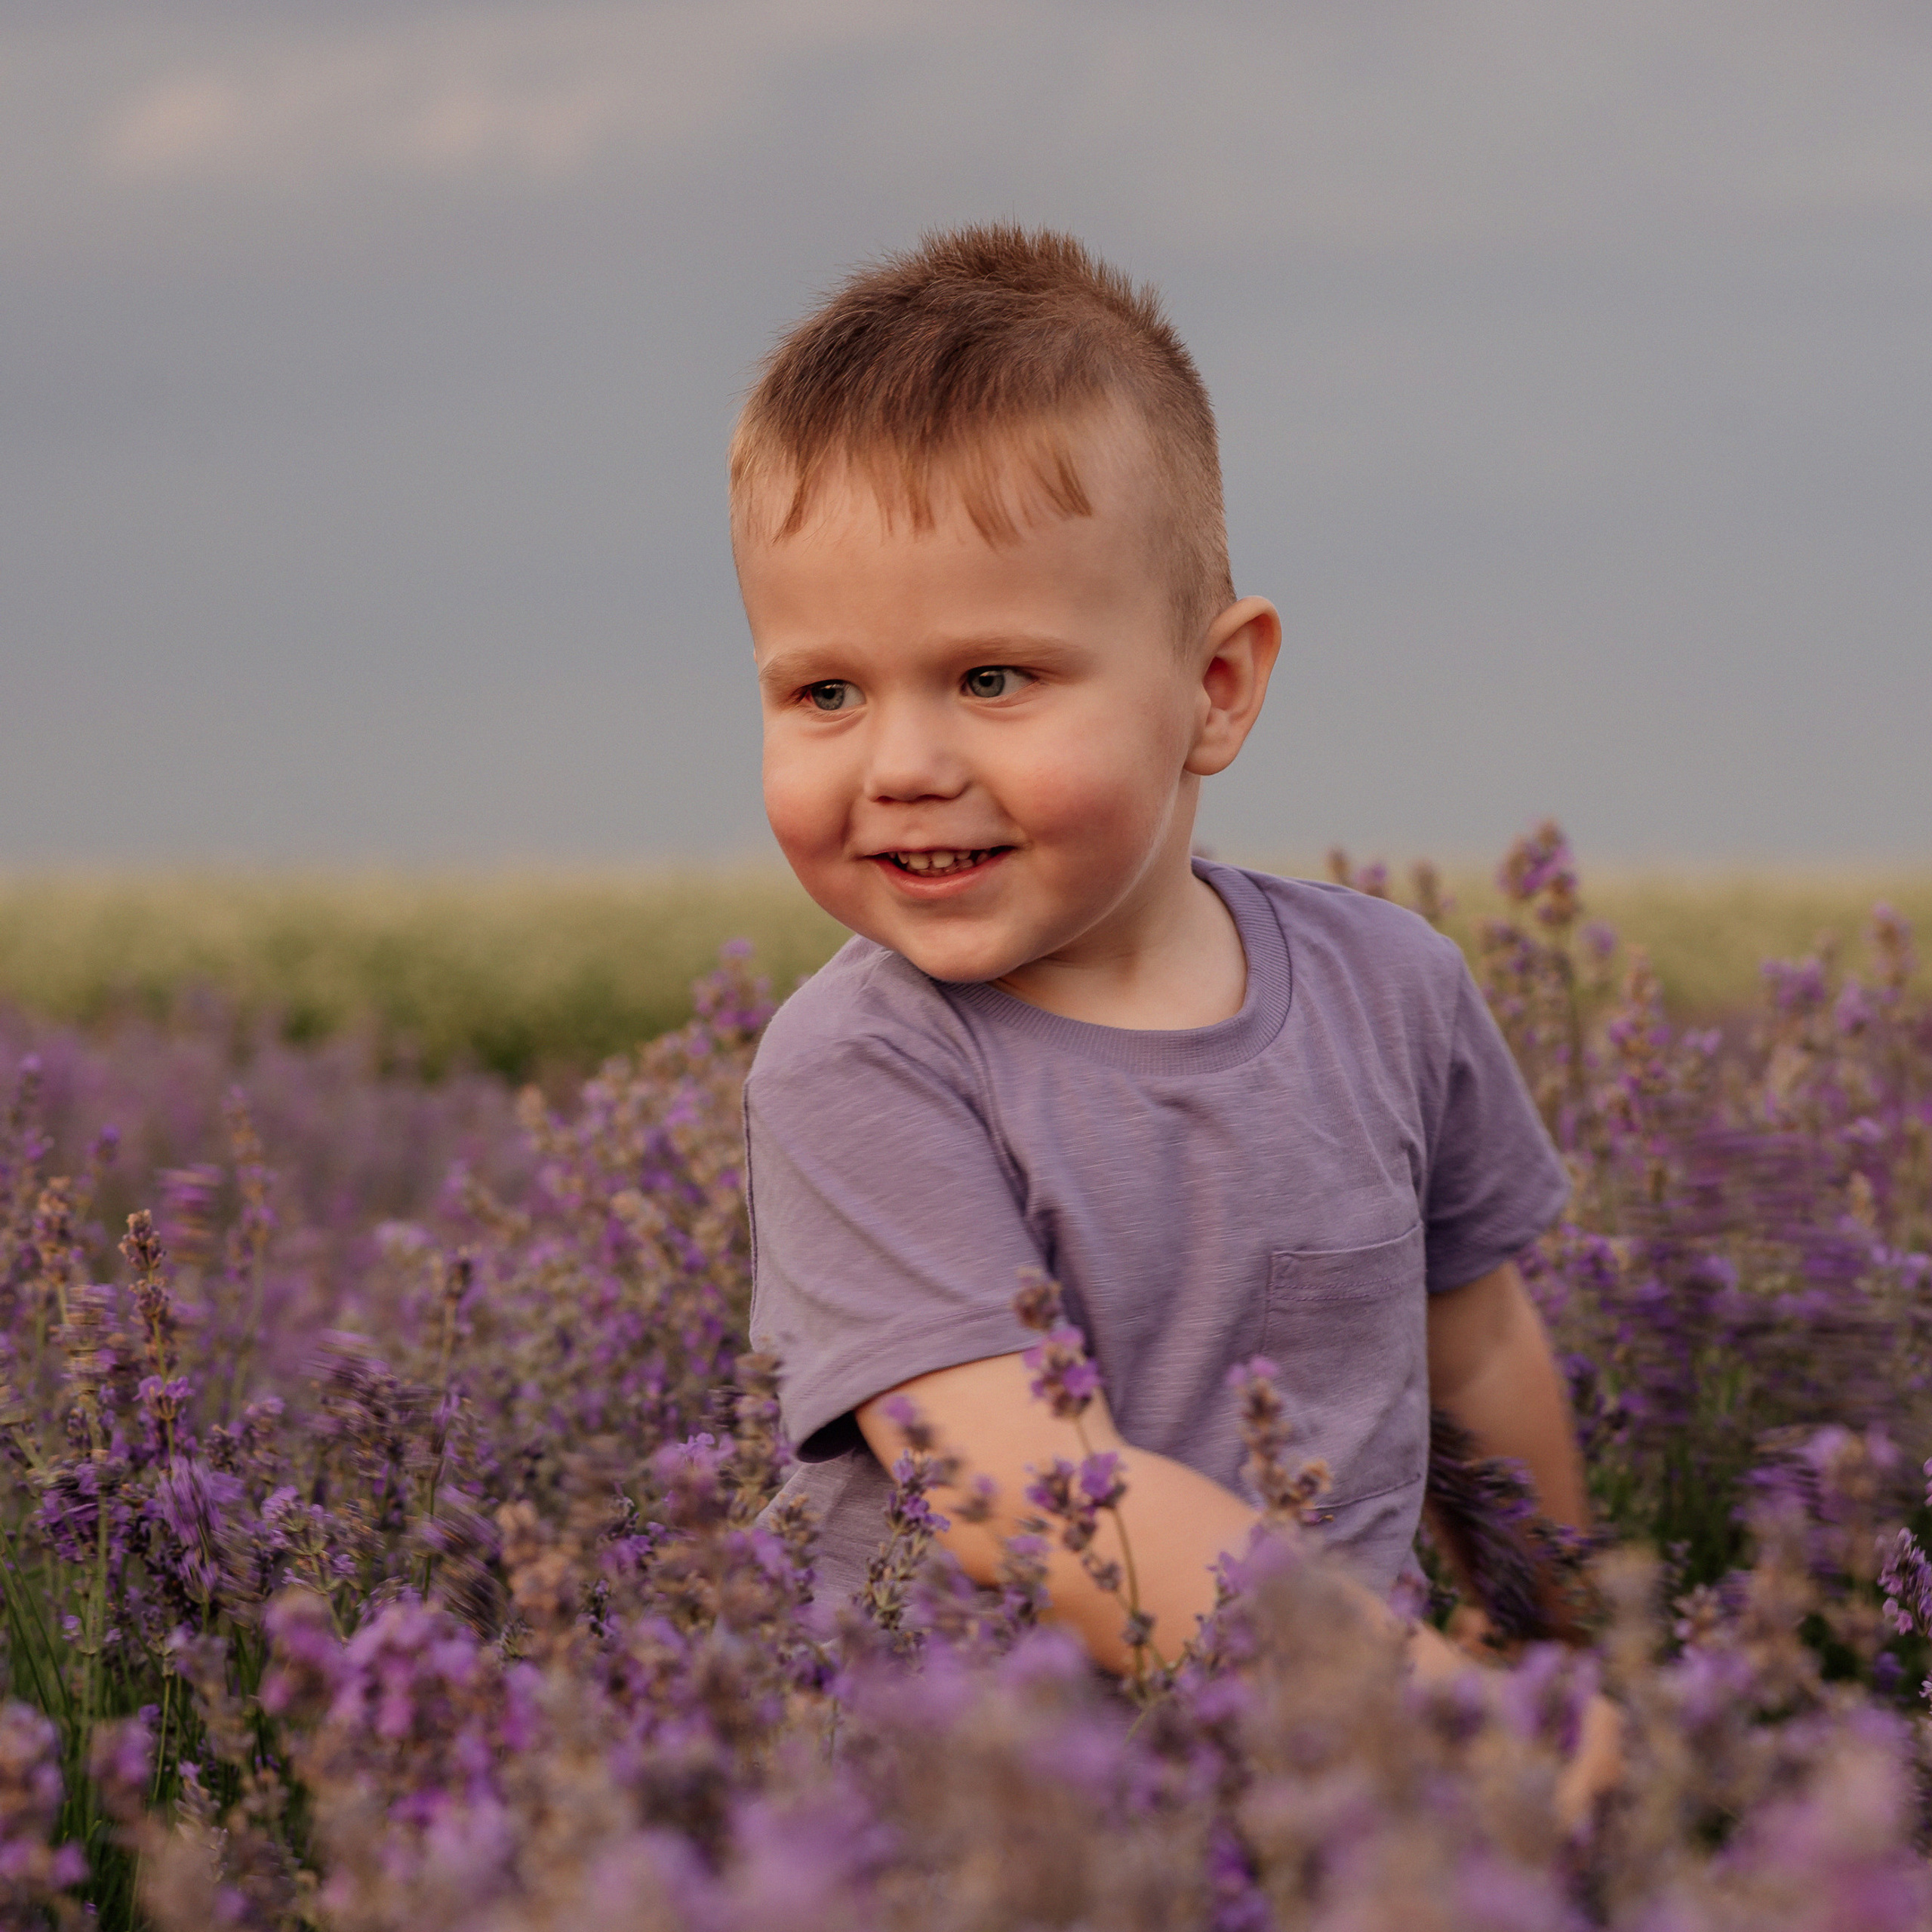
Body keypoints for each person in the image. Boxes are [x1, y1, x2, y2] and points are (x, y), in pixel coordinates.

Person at [730, 225, 1597, 1720]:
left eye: (990, 678)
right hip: (979, 1797)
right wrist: (1431, 1707)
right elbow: (1024, 1488)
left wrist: (1555, 1664)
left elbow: (1478, 1349)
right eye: (824, 692)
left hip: (1340, 1776)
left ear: (1213, 688)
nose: (904, 764)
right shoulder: (863, 1068)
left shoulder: (1387, 991)